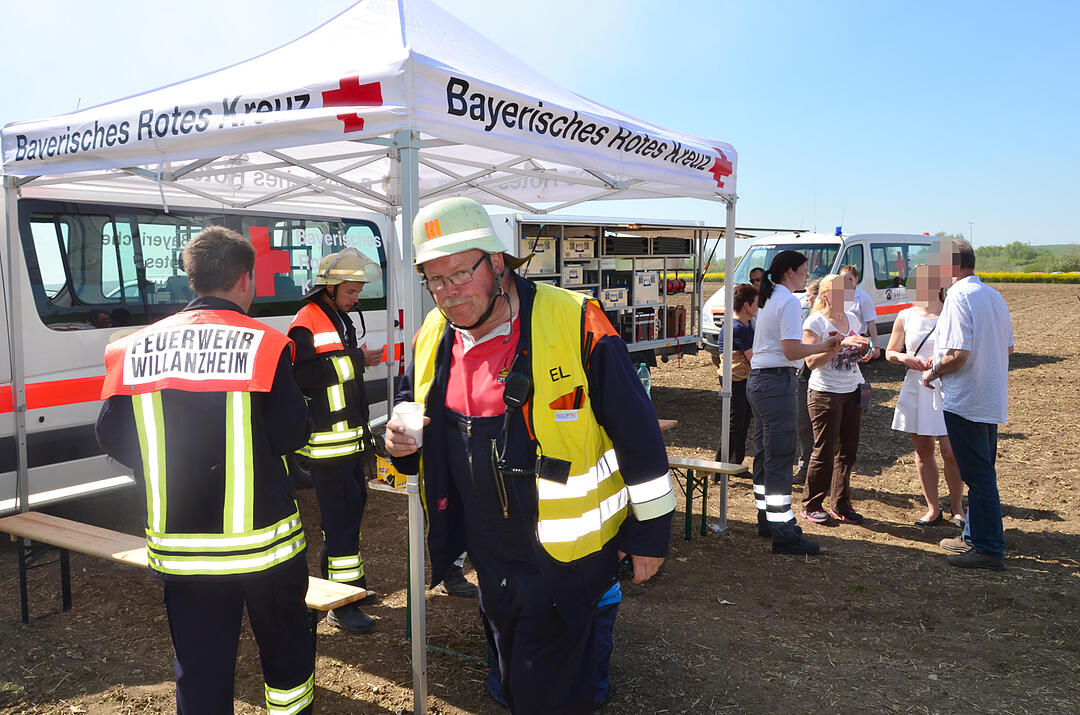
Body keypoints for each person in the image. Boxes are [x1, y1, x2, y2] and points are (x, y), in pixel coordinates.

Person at [384, 197, 674, 714]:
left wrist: (650, 534)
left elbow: (638, 433)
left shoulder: (575, 320)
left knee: (550, 691)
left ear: (497, 263)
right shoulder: (433, 335)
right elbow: (417, 424)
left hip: (564, 557)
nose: (449, 292)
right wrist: (402, 449)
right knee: (514, 676)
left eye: (459, 274)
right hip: (487, 554)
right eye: (435, 279)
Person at [96, 226, 315, 714]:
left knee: (199, 668)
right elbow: (292, 433)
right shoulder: (265, 344)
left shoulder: (133, 348)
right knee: (285, 661)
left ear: (192, 280)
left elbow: (110, 434)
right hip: (265, 547)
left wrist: (174, 462)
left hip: (184, 548)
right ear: (244, 279)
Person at [288, 248, 383, 633]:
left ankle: (350, 589)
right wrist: (357, 360)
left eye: (358, 292)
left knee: (348, 516)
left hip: (346, 441)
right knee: (340, 521)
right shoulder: (306, 322)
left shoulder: (337, 317)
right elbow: (299, 375)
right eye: (352, 291)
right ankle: (339, 604)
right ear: (330, 287)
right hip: (328, 445)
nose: (356, 298)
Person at [923, 240, 1014, 571]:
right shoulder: (994, 296)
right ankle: (974, 538)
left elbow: (958, 355)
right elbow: (1008, 349)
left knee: (978, 477)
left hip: (966, 401)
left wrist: (933, 371)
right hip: (989, 397)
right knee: (982, 472)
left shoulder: (959, 297)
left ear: (950, 267)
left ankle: (989, 548)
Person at [747, 251, 845, 555]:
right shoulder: (788, 300)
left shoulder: (768, 296)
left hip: (760, 381)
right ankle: (783, 533)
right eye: (804, 271)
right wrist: (824, 345)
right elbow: (790, 351)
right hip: (776, 382)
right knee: (779, 457)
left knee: (765, 453)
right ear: (790, 272)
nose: (807, 276)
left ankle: (768, 519)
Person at [886, 264, 966, 527]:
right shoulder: (905, 315)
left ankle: (958, 507)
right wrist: (904, 357)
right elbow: (890, 352)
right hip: (915, 385)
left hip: (946, 384)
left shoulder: (952, 313)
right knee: (923, 451)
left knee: (951, 452)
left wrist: (940, 361)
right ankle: (933, 509)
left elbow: (962, 349)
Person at [800, 274, 872, 525]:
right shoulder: (815, 322)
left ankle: (841, 504)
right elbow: (811, 362)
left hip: (852, 389)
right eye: (842, 292)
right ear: (826, 295)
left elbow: (858, 349)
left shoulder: (851, 318)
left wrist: (865, 350)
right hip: (825, 392)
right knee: (824, 450)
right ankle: (811, 504)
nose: (848, 296)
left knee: (847, 450)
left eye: (849, 291)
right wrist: (838, 345)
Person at [715, 282, 757, 464]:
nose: (758, 306)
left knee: (744, 420)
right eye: (756, 303)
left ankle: (735, 464)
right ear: (746, 305)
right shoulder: (738, 328)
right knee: (735, 423)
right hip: (736, 380)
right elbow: (754, 357)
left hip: (742, 379)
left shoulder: (745, 326)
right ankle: (720, 468)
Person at [794, 278, 822, 485]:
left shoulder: (825, 320)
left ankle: (820, 467)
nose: (807, 298)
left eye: (810, 294)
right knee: (803, 423)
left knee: (819, 426)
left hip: (821, 378)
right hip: (804, 376)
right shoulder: (804, 316)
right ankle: (805, 466)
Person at [838, 264, 881, 359]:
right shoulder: (837, 296)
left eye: (849, 279)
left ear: (856, 279)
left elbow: (871, 323)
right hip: (841, 341)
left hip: (857, 342)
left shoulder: (863, 297)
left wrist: (876, 346)